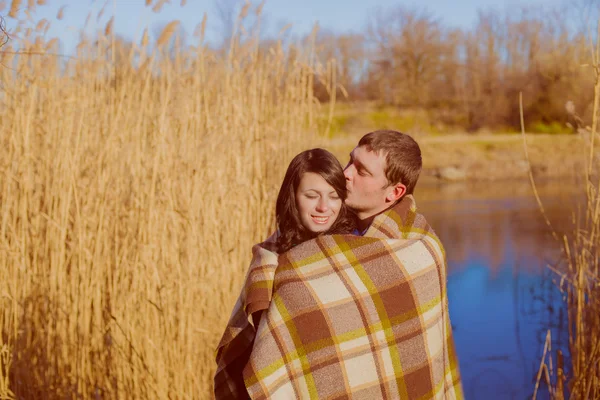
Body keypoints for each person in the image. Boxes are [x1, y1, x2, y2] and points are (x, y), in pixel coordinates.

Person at [215, 130, 463, 399]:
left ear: (395, 192)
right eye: (350, 161)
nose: (346, 173)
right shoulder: (291, 247)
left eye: (362, 171)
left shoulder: (420, 250)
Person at [214, 148, 356, 397]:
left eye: (334, 196)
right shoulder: (269, 260)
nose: (324, 207)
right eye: (312, 196)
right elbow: (264, 344)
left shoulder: (356, 249)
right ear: (293, 197)